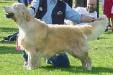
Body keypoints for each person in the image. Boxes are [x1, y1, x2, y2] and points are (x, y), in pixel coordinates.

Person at [17, 0, 95, 68]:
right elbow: (30, 11)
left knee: (63, 64)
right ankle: (27, 60)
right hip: (36, 39)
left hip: (54, 42)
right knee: (28, 43)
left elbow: (78, 17)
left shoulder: (63, 5)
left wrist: (92, 19)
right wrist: (23, 12)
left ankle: (48, 58)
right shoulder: (38, 1)